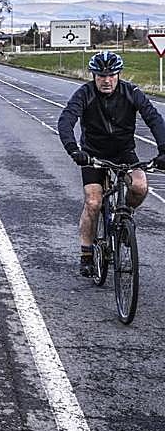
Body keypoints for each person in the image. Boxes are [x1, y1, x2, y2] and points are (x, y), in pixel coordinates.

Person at [58, 50, 165, 276]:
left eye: (111, 75)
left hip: (123, 152)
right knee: (93, 202)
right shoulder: (84, 94)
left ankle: (124, 215)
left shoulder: (131, 92)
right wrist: (74, 150)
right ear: (94, 76)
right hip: (92, 153)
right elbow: (66, 119)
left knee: (140, 186)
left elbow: (153, 118)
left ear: (118, 74)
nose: (106, 80)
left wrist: (164, 150)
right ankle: (87, 252)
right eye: (101, 76)